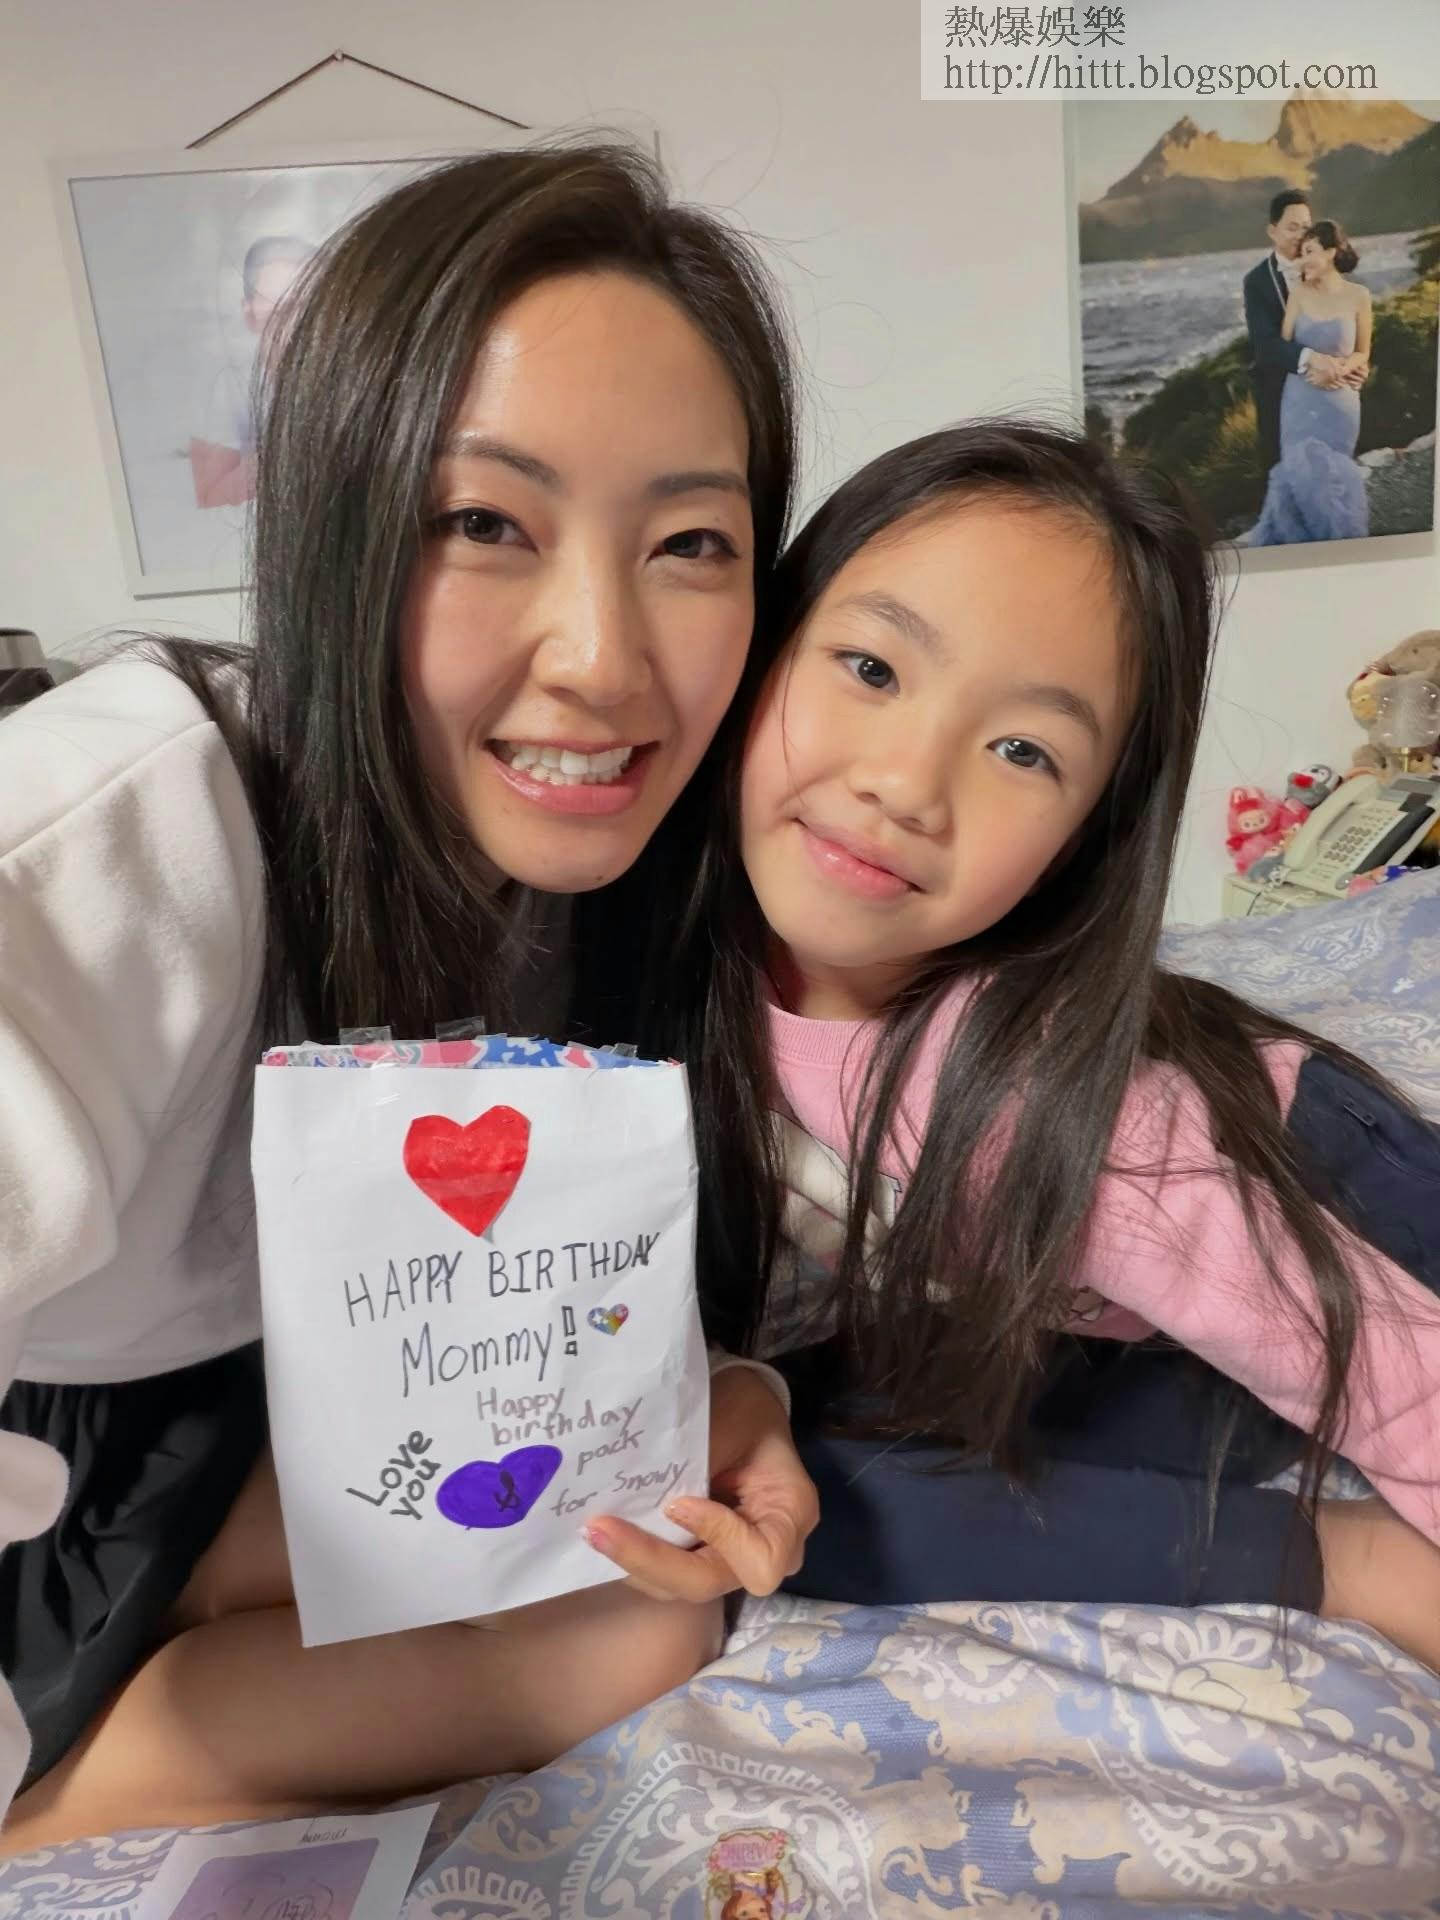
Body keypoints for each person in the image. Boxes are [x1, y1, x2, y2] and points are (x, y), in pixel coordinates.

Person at [0, 142, 819, 1848]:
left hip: (248, 1434)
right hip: (57, 1495)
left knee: (648, 1616)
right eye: (484, 524)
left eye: (691, 543)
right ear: (339, 528)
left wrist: (726, 1395)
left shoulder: (631, 875)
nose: (604, 659)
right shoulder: (120, 833)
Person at [667, 420, 1440, 1661]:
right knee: (768, 1478)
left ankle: (1356, 1567)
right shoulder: (663, 948)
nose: (907, 785)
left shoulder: (1012, 1099)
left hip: (1337, 1192)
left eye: (1024, 751)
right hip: (1096, 1315)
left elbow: (1384, 1360)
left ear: (1085, 837)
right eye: (870, 668)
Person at [1250, 219, 1373, 546]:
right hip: (1299, 400)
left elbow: (1363, 352)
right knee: (1298, 467)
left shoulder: (1359, 296)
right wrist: (1311, 366)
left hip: (1340, 402)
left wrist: (1340, 369)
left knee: (1334, 472)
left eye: (1309, 252)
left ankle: (1341, 543)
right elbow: (1283, 348)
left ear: (1331, 252)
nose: (1302, 261)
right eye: (1301, 254)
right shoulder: (1299, 295)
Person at [188, 234, 316, 509]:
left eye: (309, 309)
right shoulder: (227, 390)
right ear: (249, 315)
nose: (296, 325)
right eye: (280, 311)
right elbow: (209, 494)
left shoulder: (352, 380)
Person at [1241, 189, 1361, 479]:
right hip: (1280, 392)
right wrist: (1312, 359)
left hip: (1331, 390)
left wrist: (1356, 366)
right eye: (1292, 227)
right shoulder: (1257, 281)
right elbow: (1266, 345)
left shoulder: (1327, 268)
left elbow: (1349, 325)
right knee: (1287, 477)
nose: (1300, 235)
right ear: (1273, 231)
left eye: (1306, 227)